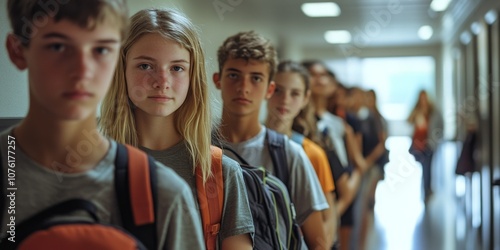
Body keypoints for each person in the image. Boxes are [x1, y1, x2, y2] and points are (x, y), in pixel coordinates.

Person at [1, 1, 205, 249]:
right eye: (58, 46)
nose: (82, 71)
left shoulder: (164, 195)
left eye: (101, 50)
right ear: (17, 51)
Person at [99, 8, 254, 249]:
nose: (162, 81)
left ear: (193, 76)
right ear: (122, 70)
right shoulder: (92, 165)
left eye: (177, 68)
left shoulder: (220, 172)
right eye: (145, 66)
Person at [213, 31, 329, 249]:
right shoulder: (196, 147)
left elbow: (319, 242)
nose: (244, 87)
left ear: (270, 89)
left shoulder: (288, 153)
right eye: (234, 75)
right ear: (218, 80)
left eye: (256, 78)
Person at [265, 60, 337, 247]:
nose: (285, 100)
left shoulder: (312, 154)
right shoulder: (240, 144)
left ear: (306, 99)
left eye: (295, 93)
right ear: (267, 89)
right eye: (278, 90)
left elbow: (328, 217)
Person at [408, 90, 443, 202]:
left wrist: (436, 140)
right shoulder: (417, 111)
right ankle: (425, 188)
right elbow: (409, 121)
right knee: (424, 166)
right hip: (418, 145)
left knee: (427, 167)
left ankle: (427, 189)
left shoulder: (434, 112)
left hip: (429, 144)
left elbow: (441, 126)